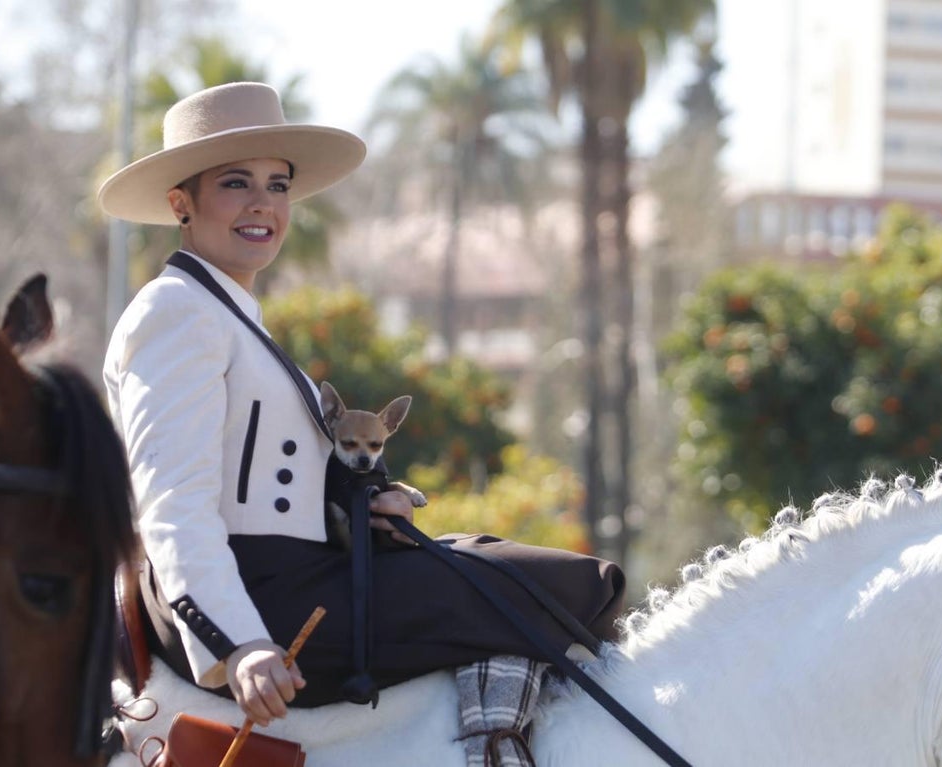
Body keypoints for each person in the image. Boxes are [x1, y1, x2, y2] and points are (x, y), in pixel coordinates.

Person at [99, 82, 625, 730]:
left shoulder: (229, 315)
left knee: (529, 571)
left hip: (313, 575)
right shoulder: (176, 312)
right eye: (236, 183)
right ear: (182, 202)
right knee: (577, 588)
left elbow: (270, 479)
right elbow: (173, 503)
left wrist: (363, 503)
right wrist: (238, 641)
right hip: (265, 600)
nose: (263, 203)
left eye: (279, 185)